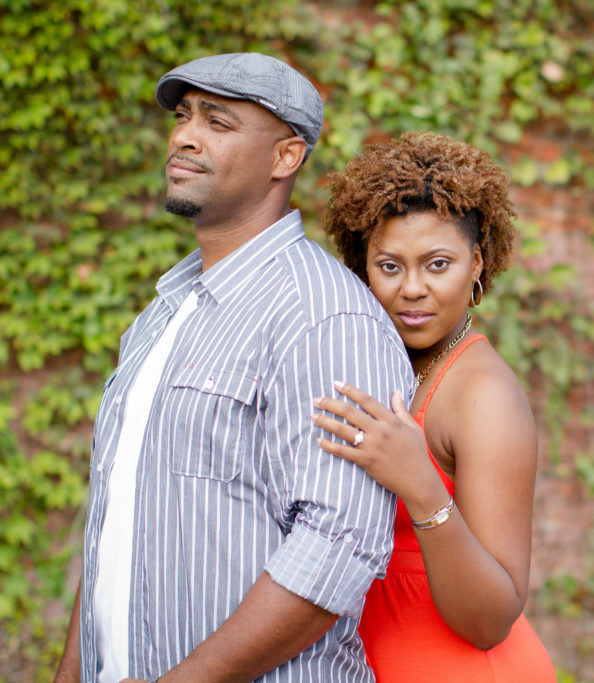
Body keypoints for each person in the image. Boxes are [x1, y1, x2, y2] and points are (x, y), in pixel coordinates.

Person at [53, 53, 413, 683]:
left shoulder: (322, 317)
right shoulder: (162, 315)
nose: (185, 136)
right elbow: (117, 518)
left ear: (286, 157)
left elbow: (337, 546)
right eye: (184, 116)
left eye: (217, 122)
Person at [313, 131, 556, 682]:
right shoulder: (379, 366)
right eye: (390, 266)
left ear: (476, 264)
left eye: (438, 264)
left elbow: (491, 619)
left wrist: (421, 485)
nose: (412, 289)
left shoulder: (483, 394)